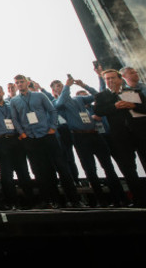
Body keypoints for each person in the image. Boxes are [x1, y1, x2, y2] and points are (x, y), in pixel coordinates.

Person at [51, 76, 126, 207]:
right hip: (79, 137)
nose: (60, 87)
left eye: (61, 85)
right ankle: (101, 201)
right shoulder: (57, 103)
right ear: (53, 91)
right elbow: (60, 103)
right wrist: (67, 87)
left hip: (95, 134)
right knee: (90, 170)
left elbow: (97, 95)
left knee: (108, 166)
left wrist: (83, 85)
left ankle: (120, 198)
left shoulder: (79, 99)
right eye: (56, 87)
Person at [10, 75, 83, 208]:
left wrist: (52, 128)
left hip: (47, 135)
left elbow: (52, 111)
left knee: (62, 167)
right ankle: (54, 201)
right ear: (15, 86)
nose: (20, 84)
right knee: (42, 171)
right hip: (31, 138)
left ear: (27, 83)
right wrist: (23, 134)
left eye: (22, 82)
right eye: (17, 83)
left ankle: (74, 200)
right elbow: (15, 119)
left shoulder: (39, 96)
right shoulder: (14, 101)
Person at [94, 69, 146, 206]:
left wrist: (133, 106)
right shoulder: (102, 96)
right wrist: (114, 106)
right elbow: (98, 111)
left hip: (141, 133)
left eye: (112, 78)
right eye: (107, 79)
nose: (110, 81)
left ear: (120, 79)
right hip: (120, 137)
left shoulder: (133, 92)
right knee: (129, 169)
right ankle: (139, 200)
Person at [0, 85, 34, 209]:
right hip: (1, 141)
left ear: (3, 92)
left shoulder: (11, 104)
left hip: (16, 139)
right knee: (6, 173)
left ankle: (31, 201)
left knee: (23, 170)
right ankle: (12, 202)